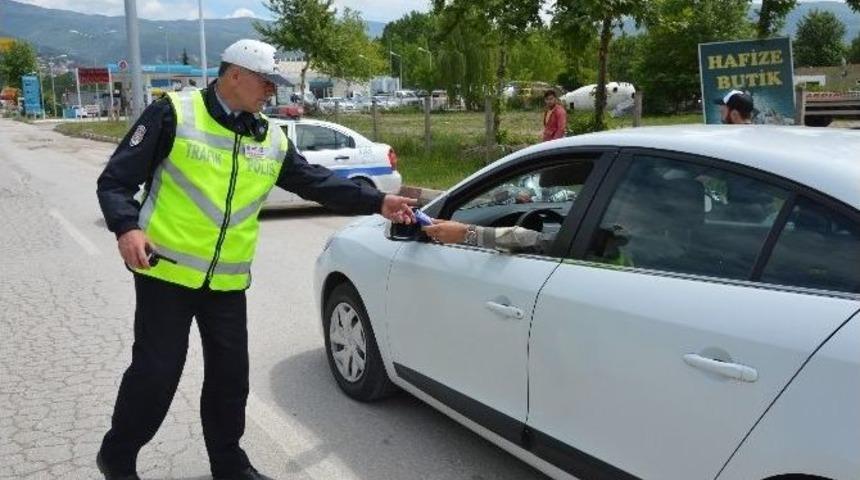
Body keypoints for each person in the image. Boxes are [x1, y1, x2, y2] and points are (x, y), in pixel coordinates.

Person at [95, 39, 415, 480]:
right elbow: (114, 181)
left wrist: (378, 202)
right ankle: (119, 456)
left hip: (226, 284)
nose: (271, 92)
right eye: (266, 82)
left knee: (231, 379)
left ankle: (228, 463)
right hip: (164, 271)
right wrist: (127, 227)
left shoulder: (270, 136)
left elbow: (317, 183)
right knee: (157, 374)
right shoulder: (174, 113)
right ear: (235, 75)